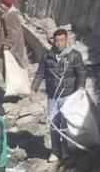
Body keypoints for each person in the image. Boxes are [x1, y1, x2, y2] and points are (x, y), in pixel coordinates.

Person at [30, 28, 87, 163]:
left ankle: (65, 150)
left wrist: (80, 89)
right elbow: (40, 73)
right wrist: (33, 89)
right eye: (56, 41)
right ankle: (55, 151)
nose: (59, 43)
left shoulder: (74, 55)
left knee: (66, 123)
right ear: (53, 41)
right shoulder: (47, 56)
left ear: (66, 40)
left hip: (69, 95)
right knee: (54, 124)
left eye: (62, 40)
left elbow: (81, 73)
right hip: (53, 96)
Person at [0, 0, 28, 78]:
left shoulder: (10, 16)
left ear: (5, 4)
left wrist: (7, 45)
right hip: (14, 49)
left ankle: (13, 90)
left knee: (10, 72)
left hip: (13, 50)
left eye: (0, 3)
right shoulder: (11, 14)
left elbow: (13, 33)